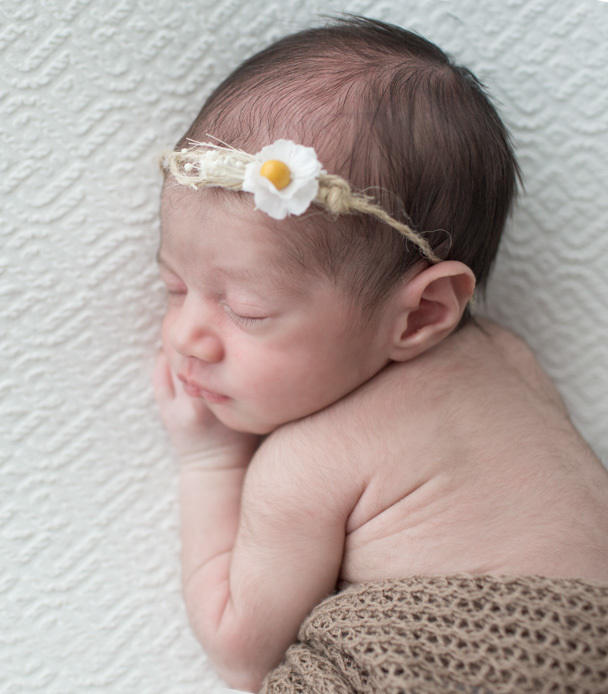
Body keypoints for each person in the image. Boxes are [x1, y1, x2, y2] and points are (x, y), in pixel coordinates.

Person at [152, 16, 608, 693]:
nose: (186, 334)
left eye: (246, 310)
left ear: (422, 312)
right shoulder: (511, 361)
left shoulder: (307, 464)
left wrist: (210, 458)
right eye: (174, 286)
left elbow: (241, 651)